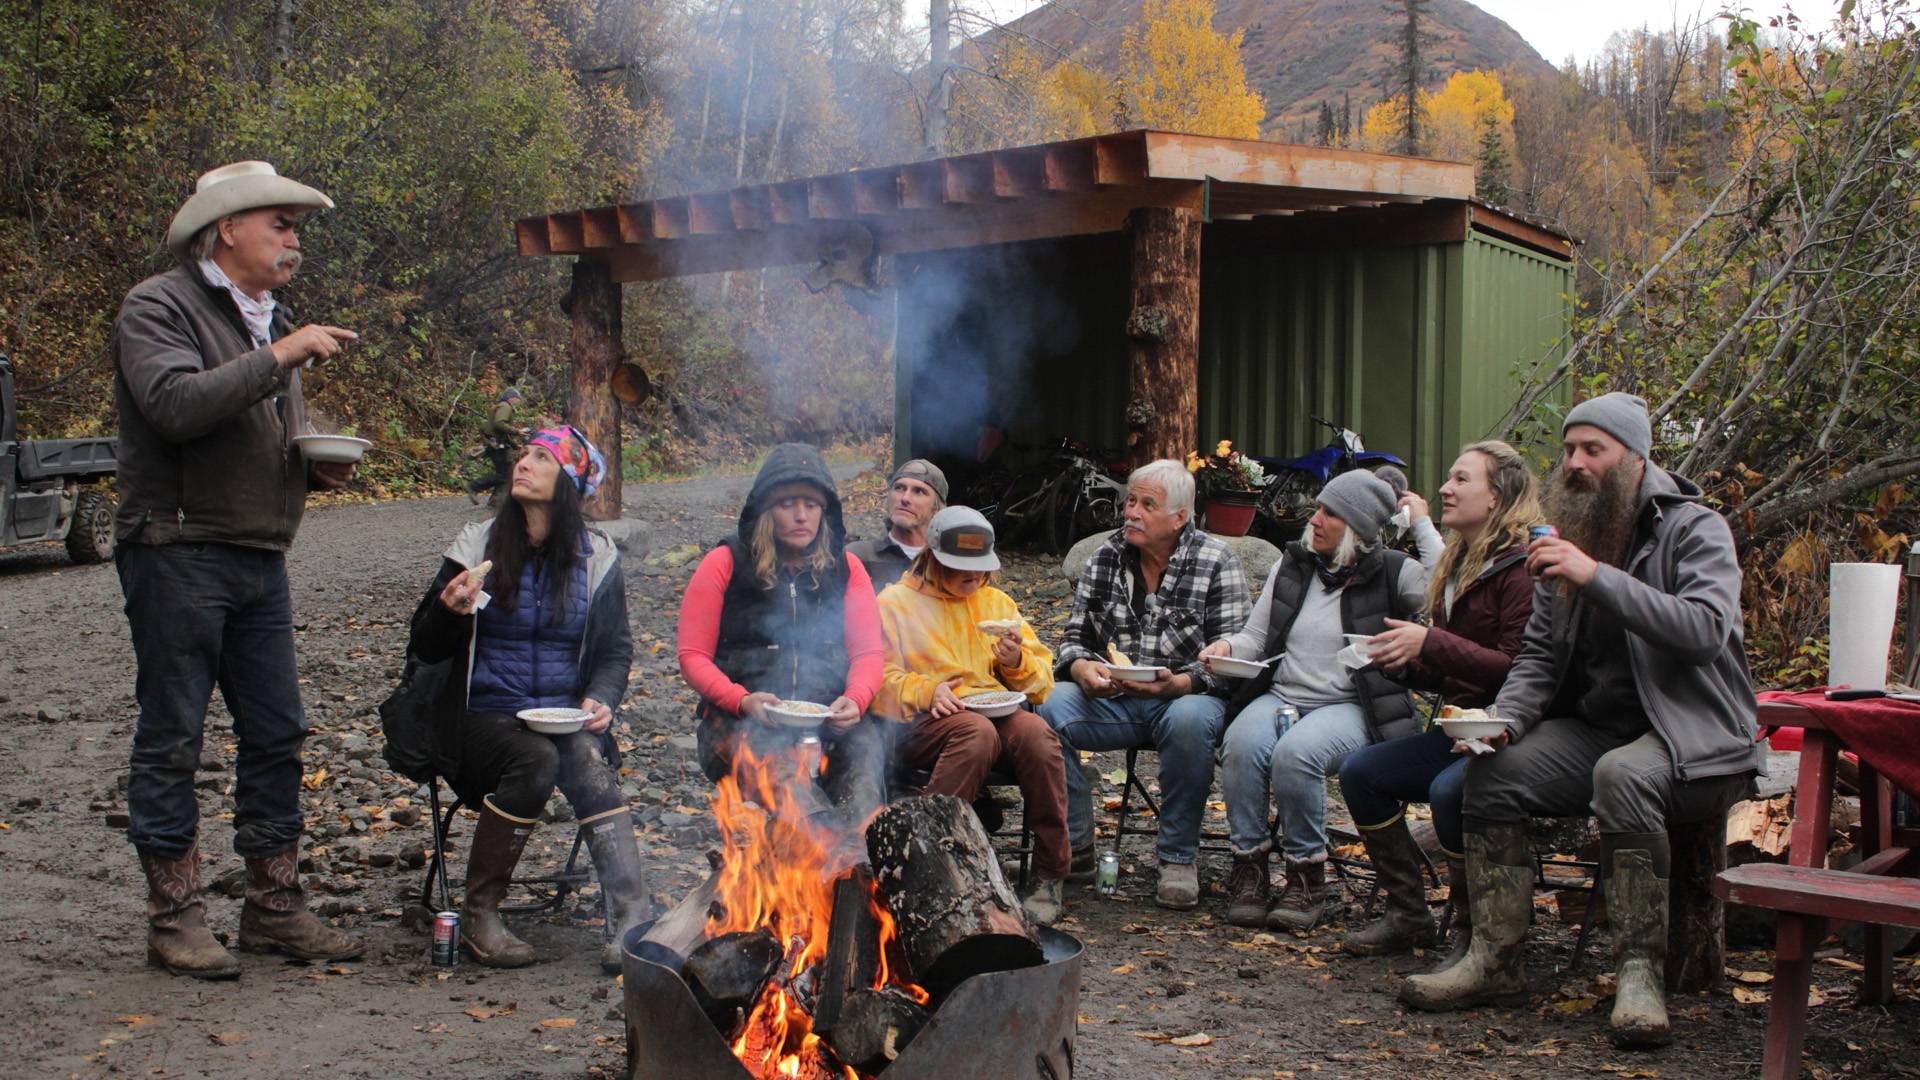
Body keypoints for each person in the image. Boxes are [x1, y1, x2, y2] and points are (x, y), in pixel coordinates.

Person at [1399, 393, 1762, 1052]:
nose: (1574, 463)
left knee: (1624, 777)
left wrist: (1596, 576)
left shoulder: (1694, 529)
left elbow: (1705, 631)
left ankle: (1638, 977)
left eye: (1592, 449)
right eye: (1568, 449)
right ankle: (1494, 959)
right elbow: (1537, 657)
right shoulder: (1565, 540)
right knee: (1493, 773)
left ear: (1635, 457)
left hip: (1695, 739)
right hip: (1601, 729)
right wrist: (1504, 722)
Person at [112, 160, 363, 978]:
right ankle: (175, 917)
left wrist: (308, 463)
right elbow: (176, 406)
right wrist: (284, 353)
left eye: (296, 228)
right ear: (227, 228)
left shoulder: (262, 318)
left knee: (278, 731)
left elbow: (245, 426)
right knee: (174, 736)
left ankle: (273, 907)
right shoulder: (160, 305)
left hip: (259, 553)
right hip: (177, 548)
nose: (294, 240)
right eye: (280, 224)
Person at [407, 425, 646, 970]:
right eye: (525, 454)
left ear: (567, 482)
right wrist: (447, 609)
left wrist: (601, 697)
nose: (524, 463)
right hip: (482, 720)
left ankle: (632, 913)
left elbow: (615, 650)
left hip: (562, 718)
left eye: (542, 457)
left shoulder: (597, 558)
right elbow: (424, 645)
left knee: (587, 761)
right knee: (534, 758)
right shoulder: (477, 545)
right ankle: (479, 912)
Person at [1334, 441, 1542, 958]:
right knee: (1361, 774)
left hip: (1509, 736)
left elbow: (1517, 668)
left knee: (1452, 792)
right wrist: (1402, 665)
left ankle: (1478, 937)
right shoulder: (1458, 562)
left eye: (1461, 479)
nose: (1444, 489)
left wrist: (1430, 641)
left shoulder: (1522, 571)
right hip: (1454, 732)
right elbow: (1450, 667)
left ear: (1496, 497)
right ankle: (1408, 913)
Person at [1203, 469, 1427, 930]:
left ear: (1359, 528)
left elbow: (1449, 594)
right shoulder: (1295, 564)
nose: (1316, 519)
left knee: (1296, 753)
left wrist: (1423, 526)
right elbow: (1256, 636)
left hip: (1353, 704)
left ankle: (1307, 876)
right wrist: (1226, 649)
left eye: (1330, 513)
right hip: (1284, 694)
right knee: (1240, 745)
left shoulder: (1394, 572)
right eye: (1319, 508)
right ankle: (1249, 867)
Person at [1038, 459, 1249, 910]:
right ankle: (1075, 848)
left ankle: (1177, 858)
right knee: (1049, 707)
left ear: (1179, 517)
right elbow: (1074, 639)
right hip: (1115, 697)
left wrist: (1183, 682)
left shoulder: (1216, 561)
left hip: (1186, 698)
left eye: (1146, 504)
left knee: (1191, 719)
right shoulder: (1105, 556)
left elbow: (1235, 658)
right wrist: (1078, 669)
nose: (1131, 512)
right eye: (1130, 501)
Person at [874, 507, 1069, 923]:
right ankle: (925, 864)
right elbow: (876, 678)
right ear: (932, 556)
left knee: (1037, 735)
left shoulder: (995, 603)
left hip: (989, 714)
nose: (973, 578)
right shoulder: (894, 604)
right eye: (961, 568)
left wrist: (1015, 660)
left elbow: (1041, 683)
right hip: (919, 725)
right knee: (976, 732)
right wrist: (926, 690)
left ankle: (1049, 873)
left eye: (980, 570)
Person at [677, 444, 889, 826]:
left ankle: (860, 858)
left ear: (825, 512)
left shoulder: (846, 568)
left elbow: (869, 653)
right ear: (765, 510)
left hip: (827, 721)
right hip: (739, 723)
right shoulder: (725, 562)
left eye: (811, 505)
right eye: (787, 504)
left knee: (864, 770)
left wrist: (856, 699)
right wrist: (742, 700)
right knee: (797, 800)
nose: (801, 515)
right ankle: (836, 858)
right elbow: (692, 655)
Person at [847, 458, 946, 592]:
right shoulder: (857, 556)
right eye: (899, 488)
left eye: (918, 491)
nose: (905, 498)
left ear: (937, 509)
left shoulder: (947, 563)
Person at [467, 387, 524, 504]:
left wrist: (514, 445)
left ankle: (495, 500)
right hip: (497, 445)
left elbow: (503, 431)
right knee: (505, 474)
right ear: (511, 397)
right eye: (517, 398)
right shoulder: (505, 406)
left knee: (505, 473)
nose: (518, 401)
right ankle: (474, 486)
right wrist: (517, 431)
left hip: (496, 443)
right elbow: (499, 424)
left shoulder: (502, 406)